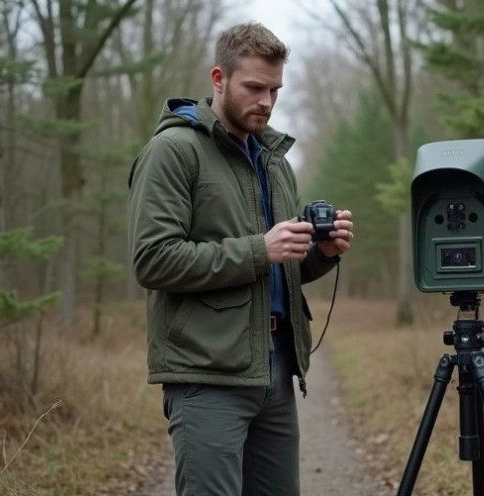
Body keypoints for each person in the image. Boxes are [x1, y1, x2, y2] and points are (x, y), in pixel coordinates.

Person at [126, 22, 354, 496]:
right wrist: (259, 248)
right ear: (218, 79)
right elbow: (152, 260)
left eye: (275, 90)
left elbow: (280, 267)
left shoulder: (275, 161)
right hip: (206, 376)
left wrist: (322, 254)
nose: (267, 102)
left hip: (274, 368)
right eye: (254, 87)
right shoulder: (173, 151)